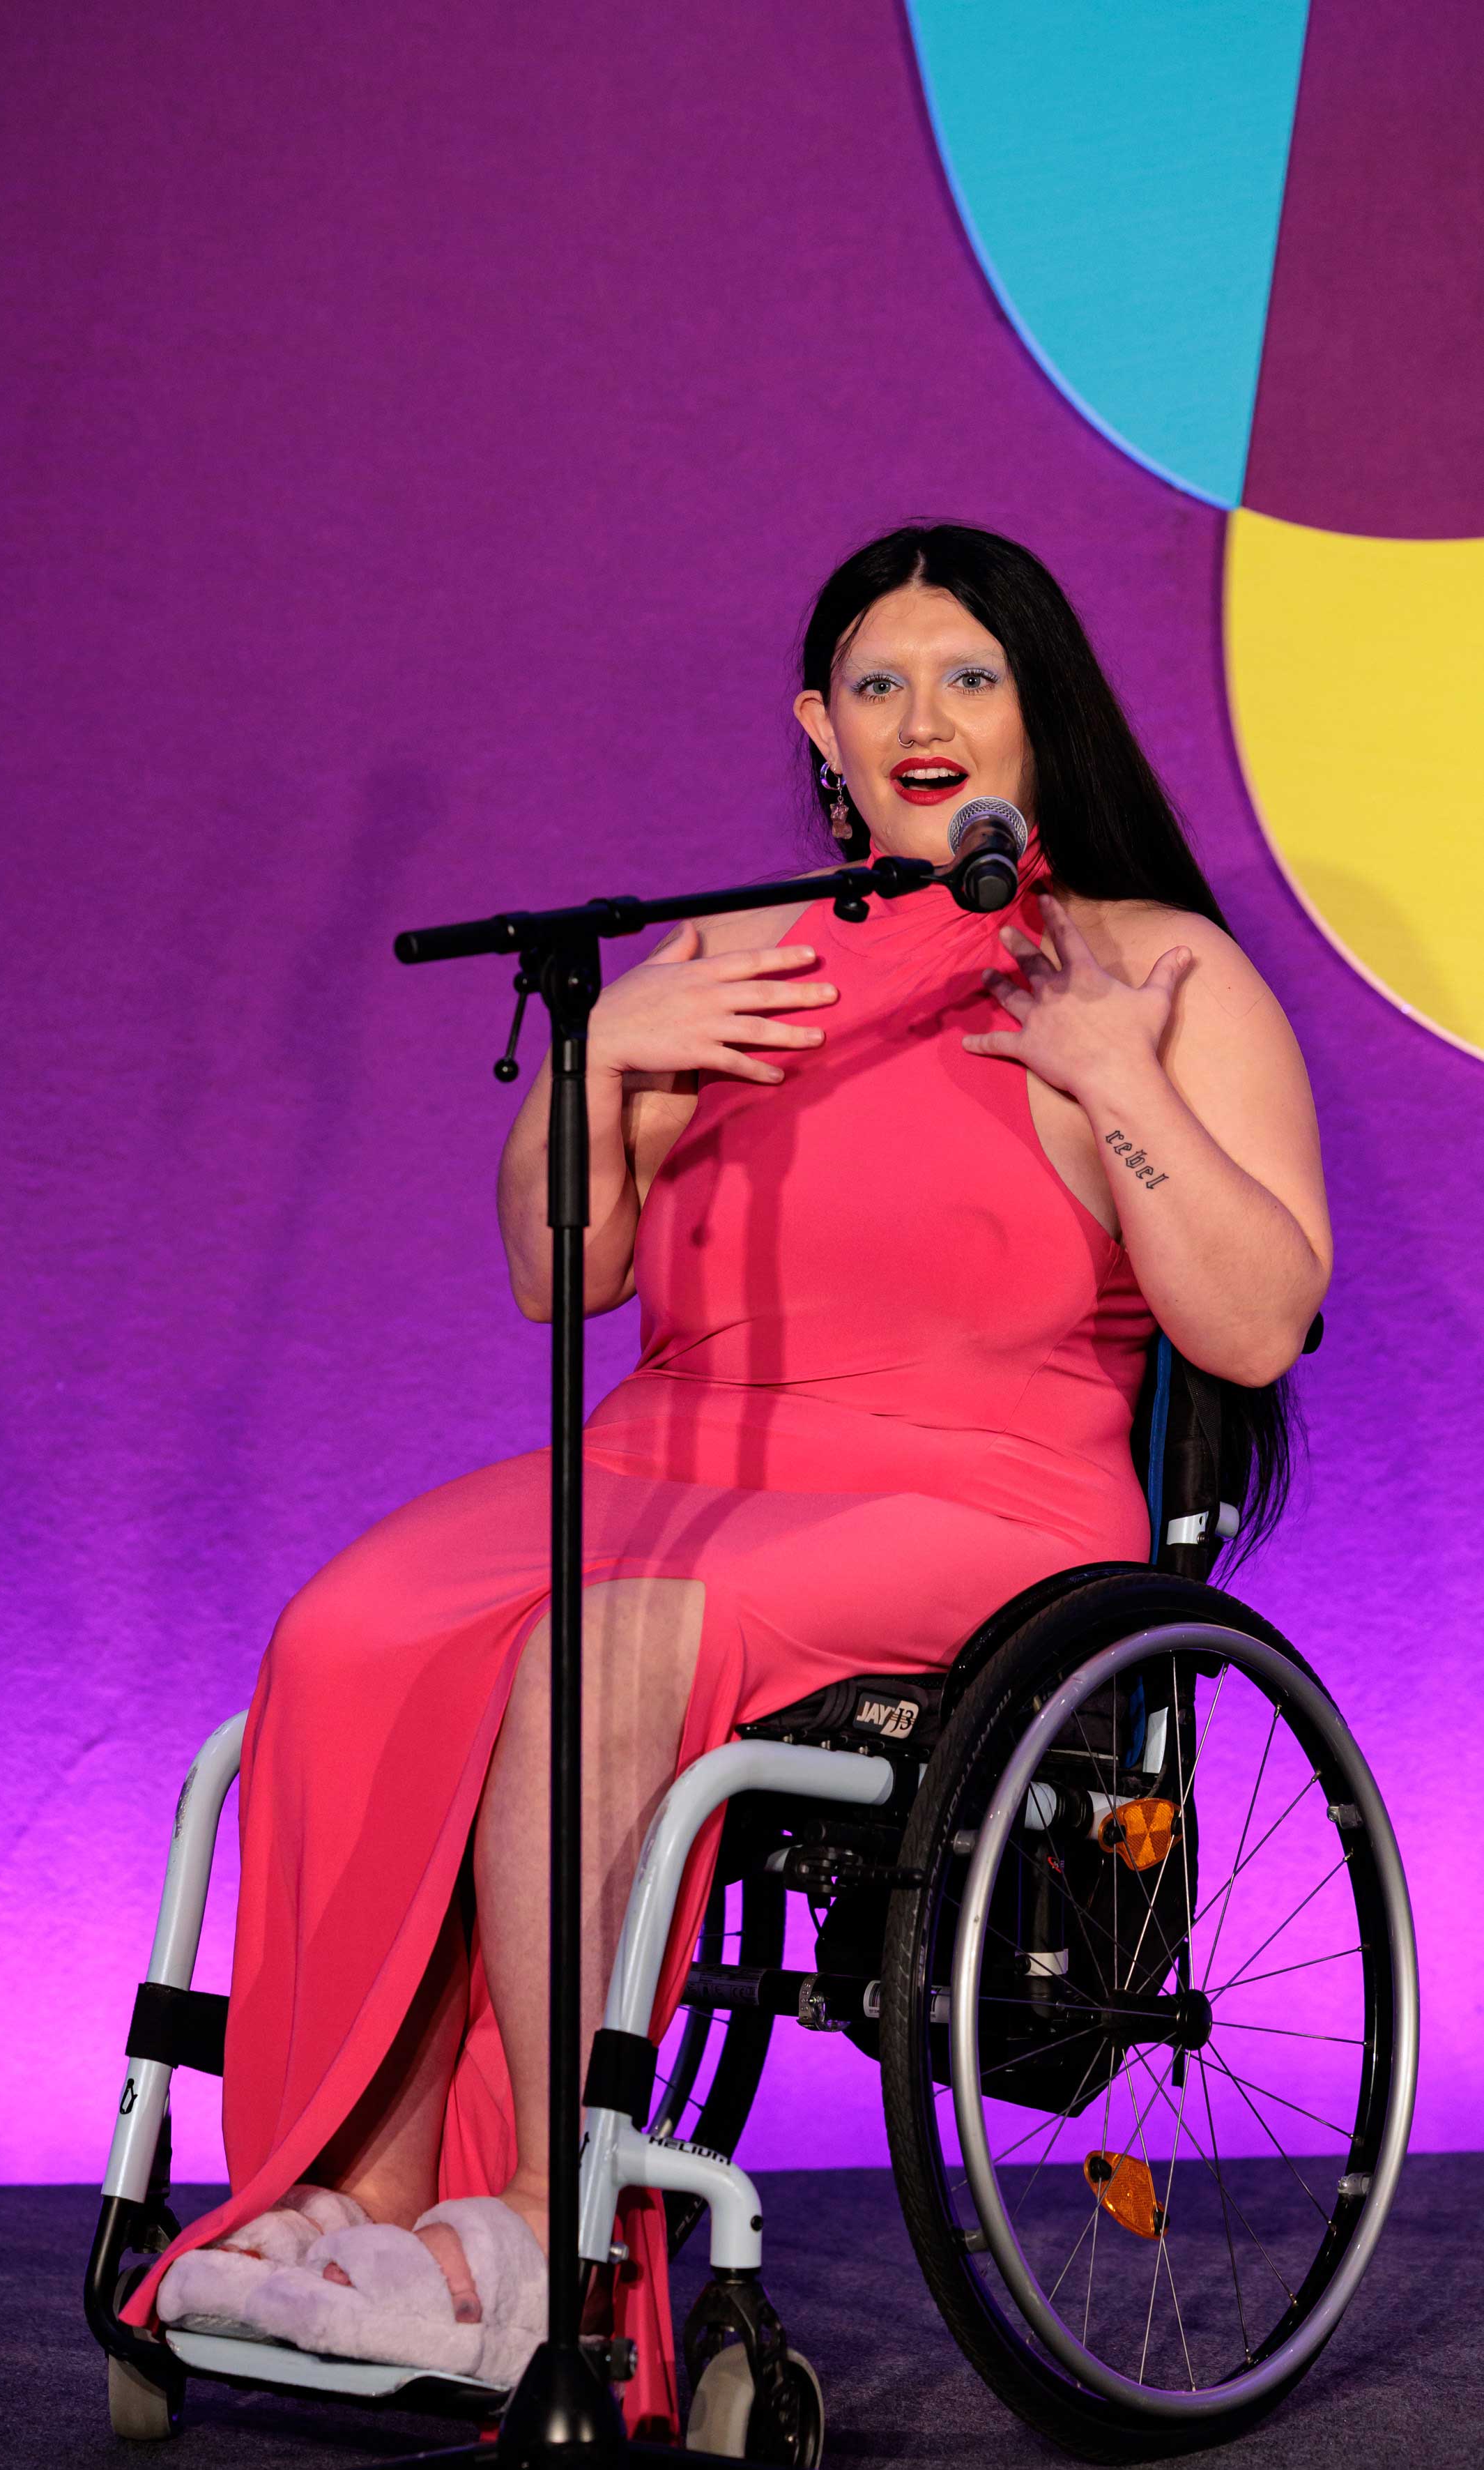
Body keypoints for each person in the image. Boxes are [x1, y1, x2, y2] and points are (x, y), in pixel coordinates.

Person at [132, 523, 1331, 2428]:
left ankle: (548, 2236)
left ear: (1037, 711)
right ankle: (356, 2198)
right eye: (878, 684)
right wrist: (600, 1061)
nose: (923, 718)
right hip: (675, 1450)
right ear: (817, 729)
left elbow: (1256, 1325)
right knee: (348, 1625)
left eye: (968, 678)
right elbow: (563, 1277)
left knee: (602, 1646)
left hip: (980, 1492)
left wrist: (1117, 1075)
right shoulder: (734, 965)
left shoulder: (1158, 967)